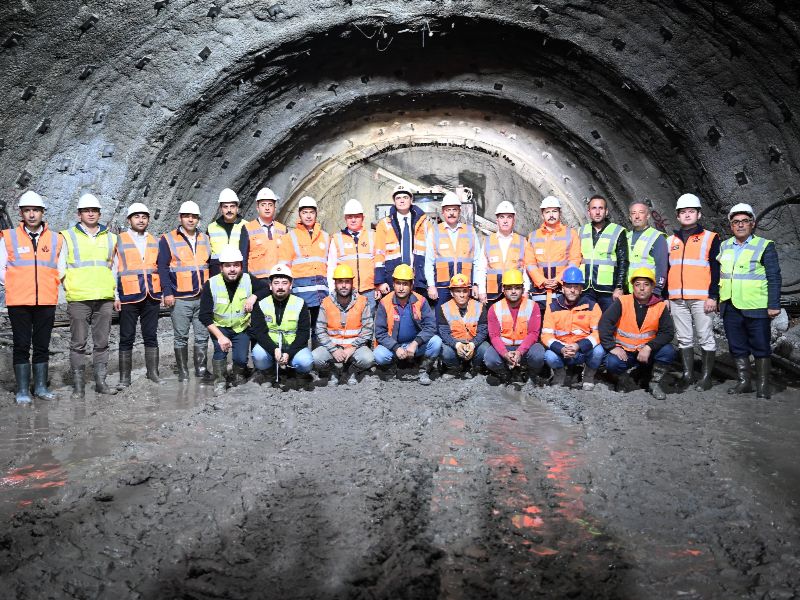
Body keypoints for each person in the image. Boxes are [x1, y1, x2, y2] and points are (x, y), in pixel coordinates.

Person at [0, 191, 63, 403]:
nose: (32, 214)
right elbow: (1, 268)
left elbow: (60, 267)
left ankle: (41, 387)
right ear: (21, 213)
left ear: (42, 212)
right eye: (27, 210)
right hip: (19, 301)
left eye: (36, 210)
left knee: (42, 344)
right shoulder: (8, 237)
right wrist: (15, 285)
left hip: (46, 299)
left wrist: (51, 283)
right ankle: (23, 390)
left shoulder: (55, 239)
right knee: (21, 344)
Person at [718, 203, 782, 399]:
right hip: (730, 305)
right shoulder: (725, 245)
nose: (740, 225)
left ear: (752, 224)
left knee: (761, 345)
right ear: (731, 226)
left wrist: (773, 304)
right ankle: (744, 382)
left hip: (756, 305)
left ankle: (762, 385)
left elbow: (774, 276)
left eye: (744, 221)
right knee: (737, 346)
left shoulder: (764, 245)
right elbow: (720, 274)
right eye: (735, 222)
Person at [59, 193, 118, 398]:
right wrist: (69, 286)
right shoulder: (67, 236)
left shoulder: (111, 237)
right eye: (86, 211)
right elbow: (60, 267)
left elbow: (114, 268)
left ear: (100, 214)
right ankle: (78, 386)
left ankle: (100, 382)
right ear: (79, 214)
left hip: (104, 297)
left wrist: (115, 293)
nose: (91, 214)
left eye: (94, 211)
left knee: (102, 342)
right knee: (78, 343)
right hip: (78, 297)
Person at [667, 193, 721, 391]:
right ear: (678, 216)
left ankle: (706, 378)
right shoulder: (670, 240)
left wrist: (713, 296)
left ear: (699, 214)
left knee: (705, 336)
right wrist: (666, 297)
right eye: (683, 212)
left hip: (701, 297)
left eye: (691, 211)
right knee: (684, 337)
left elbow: (716, 270)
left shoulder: (710, 238)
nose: (687, 215)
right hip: (677, 298)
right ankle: (688, 375)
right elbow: (667, 268)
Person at [199, 245, 269, 395]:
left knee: (240, 358)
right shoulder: (211, 284)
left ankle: (238, 375)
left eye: (236, 265)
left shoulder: (247, 279)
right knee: (220, 351)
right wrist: (220, 336)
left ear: (241, 266)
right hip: (220, 327)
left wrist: (254, 296)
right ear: (221, 268)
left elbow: (266, 288)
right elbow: (204, 315)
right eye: (228, 266)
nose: (232, 269)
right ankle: (220, 382)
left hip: (241, 327)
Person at [157, 200, 212, 382]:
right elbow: (163, 267)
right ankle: (183, 372)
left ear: (198, 219)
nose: (191, 220)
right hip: (180, 298)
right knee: (181, 336)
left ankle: (201, 369)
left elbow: (209, 265)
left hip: (202, 297)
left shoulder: (204, 238)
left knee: (202, 336)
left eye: (194, 217)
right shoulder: (168, 239)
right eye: (187, 216)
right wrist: (167, 292)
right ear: (180, 218)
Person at [599, 268, 675, 400]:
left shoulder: (660, 306)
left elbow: (668, 332)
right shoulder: (622, 302)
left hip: (647, 352)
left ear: (652, 287)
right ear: (632, 286)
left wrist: (649, 347)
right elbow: (605, 323)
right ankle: (623, 380)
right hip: (626, 352)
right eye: (637, 284)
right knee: (612, 362)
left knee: (668, 351)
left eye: (646, 284)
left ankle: (654, 383)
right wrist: (612, 347)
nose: (641, 288)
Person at [113, 202, 162, 389]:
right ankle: (125, 378)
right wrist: (115, 295)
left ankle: (153, 373)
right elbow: (113, 269)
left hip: (151, 295)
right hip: (129, 296)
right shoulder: (120, 240)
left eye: (144, 217)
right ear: (129, 220)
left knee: (151, 335)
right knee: (127, 337)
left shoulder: (155, 241)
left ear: (148, 220)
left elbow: (160, 268)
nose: (140, 220)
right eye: (136, 217)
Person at [374, 263, 442, 385]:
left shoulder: (421, 300)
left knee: (436, 342)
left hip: (415, 345)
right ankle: (392, 367)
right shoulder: (384, 303)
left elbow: (431, 326)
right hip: (395, 346)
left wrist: (415, 343)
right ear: (393, 284)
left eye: (405, 284)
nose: (401, 288)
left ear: (411, 285)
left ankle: (423, 368)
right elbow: (380, 333)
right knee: (379, 354)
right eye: (398, 283)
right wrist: (396, 347)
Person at [540, 266, 605, 390]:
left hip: (582, 351)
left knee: (599, 351)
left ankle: (588, 376)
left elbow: (598, 333)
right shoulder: (552, 307)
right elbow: (546, 335)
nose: (572, 290)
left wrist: (578, 346)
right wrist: (561, 348)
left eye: (576, 287)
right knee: (549, 356)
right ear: (563, 288)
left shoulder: (592, 306)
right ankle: (560, 374)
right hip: (562, 351)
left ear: (581, 289)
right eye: (569, 286)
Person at [312, 263, 375, 385]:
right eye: (340, 282)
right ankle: (333, 371)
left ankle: (351, 370)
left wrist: (352, 347)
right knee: (314, 358)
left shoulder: (362, 302)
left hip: (354, 347)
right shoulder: (326, 303)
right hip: (332, 347)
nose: (344, 285)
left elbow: (368, 329)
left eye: (347, 281)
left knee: (368, 359)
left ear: (352, 283)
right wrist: (334, 349)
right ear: (335, 283)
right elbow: (320, 330)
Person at [250, 264, 314, 380]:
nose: (280, 287)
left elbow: (304, 333)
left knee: (306, 361)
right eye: (276, 283)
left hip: (293, 347)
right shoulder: (261, 304)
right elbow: (260, 333)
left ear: (291, 285)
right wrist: (274, 349)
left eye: (284, 283)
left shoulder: (300, 303)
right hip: (271, 347)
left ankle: (297, 374)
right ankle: (269, 373)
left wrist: (289, 352)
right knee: (258, 354)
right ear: (270, 285)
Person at [483, 269, 546, 384]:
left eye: (517, 287)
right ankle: (505, 373)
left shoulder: (533, 306)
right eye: (509, 288)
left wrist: (519, 352)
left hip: (525, 347)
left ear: (522, 289)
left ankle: (529, 372)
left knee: (539, 354)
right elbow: (494, 336)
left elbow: (534, 334)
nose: (513, 291)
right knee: (490, 358)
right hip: (505, 347)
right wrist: (505, 353)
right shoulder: (494, 308)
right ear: (503, 289)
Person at [278, 196, 329, 334]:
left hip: (322, 296)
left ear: (316, 214)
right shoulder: (290, 237)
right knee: (301, 331)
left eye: (311, 212)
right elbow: (284, 267)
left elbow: (329, 266)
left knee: (320, 331)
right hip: (300, 295)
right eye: (305, 212)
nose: (308, 216)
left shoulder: (325, 237)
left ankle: (317, 356)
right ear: (299, 214)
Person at [425, 191, 485, 308]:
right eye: (448, 210)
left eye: (454, 209)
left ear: (459, 211)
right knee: (443, 321)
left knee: (466, 321)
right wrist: (431, 285)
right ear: (443, 212)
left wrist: (476, 284)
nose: (451, 213)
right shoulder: (434, 231)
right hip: (442, 288)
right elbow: (429, 262)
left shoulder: (469, 231)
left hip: (465, 286)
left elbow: (478, 261)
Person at [374, 184, 429, 300]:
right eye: (398, 198)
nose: (402, 200)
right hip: (393, 279)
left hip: (418, 278)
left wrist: (430, 282)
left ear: (411, 200)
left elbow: (431, 254)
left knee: (417, 313)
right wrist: (380, 281)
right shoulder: (384, 224)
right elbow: (379, 254)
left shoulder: (424, 223)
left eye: (405, 197)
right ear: (394, 201)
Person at [526, 196, 581, 310]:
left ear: (560, 213)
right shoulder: (533, 236)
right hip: (540, 291)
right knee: (540, 323)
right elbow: (530, 264)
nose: (551, 215)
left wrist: (558, 280)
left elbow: (574, 260)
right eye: (547, 212)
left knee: (561, 323)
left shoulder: (571, 234)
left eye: (554, 211)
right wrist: (542, 281)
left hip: (562, 290)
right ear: (542, 215)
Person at [579, 195, 628, 312]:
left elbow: (623, 261)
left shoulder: (618, 231)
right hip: (586, 289)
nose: (597, 212)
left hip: (608, 290)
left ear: (606, 211)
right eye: (594, 208)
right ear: (589, 212)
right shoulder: (581, 231)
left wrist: (619, 287)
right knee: (586, 325)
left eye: (601, 208)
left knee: (608, 325)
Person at [327, 198, 377, 312]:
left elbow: (378, 263)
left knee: (368, 324)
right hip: (345, 291)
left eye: (357, 216)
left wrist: (377, 285)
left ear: (363, 218)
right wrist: (332, 289)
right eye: (350, 217)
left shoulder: (372, 236)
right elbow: (331, 267)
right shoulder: (337, 238)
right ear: (345, 218)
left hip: (368, 291)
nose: (353, 220)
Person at [437, 273, 489, 379]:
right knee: (443, 350)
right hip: (454, 345)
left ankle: (475, 367)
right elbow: (444, 332)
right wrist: (456, 345)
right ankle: (454, 368)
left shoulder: (479, 307)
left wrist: (473, 344)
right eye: (458, 291)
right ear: (452, 293)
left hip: (473, 344)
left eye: (465, 291)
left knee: (485, 348)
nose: (462, 295)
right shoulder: (444, 308)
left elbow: (483, 331)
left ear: (469, 292)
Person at [482, 200, 530, 304]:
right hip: (493, 293)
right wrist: (482, 290)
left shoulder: (522, 241)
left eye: (509, 217)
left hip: (515, 292)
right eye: (502, 217)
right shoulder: (487, 241)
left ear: (514, 220)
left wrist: (526, 290)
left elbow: (526, 269)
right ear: (497, 220)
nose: (505, 220)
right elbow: (482, 268)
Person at [240, 187, 287, 280]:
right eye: (263, 205)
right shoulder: (247, 228)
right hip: (256, 281)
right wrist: (244, 279)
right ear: (257, 208)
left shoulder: (283, 229)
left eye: (270, 205)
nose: (267, 208)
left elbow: (287, 256)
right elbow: (243, 257)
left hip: (278, 280)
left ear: (275, 207)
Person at [627, 201, 668, 297]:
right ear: (630, 217)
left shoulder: (656, 237)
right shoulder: (626, 237)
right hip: (628, 292)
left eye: (641, 212)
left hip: (649, 293)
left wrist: (657, 291)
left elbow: (661, 267)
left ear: (648, 216)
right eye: (633, 213)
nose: (637, 216)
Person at [207, 188, 245, 277]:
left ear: (237, 208)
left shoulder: (246, 226)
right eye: (225, 207)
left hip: (238, 271)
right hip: (216, 272)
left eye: (232, 206)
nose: (229, 210)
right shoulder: (211, 227)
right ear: (220, 209)